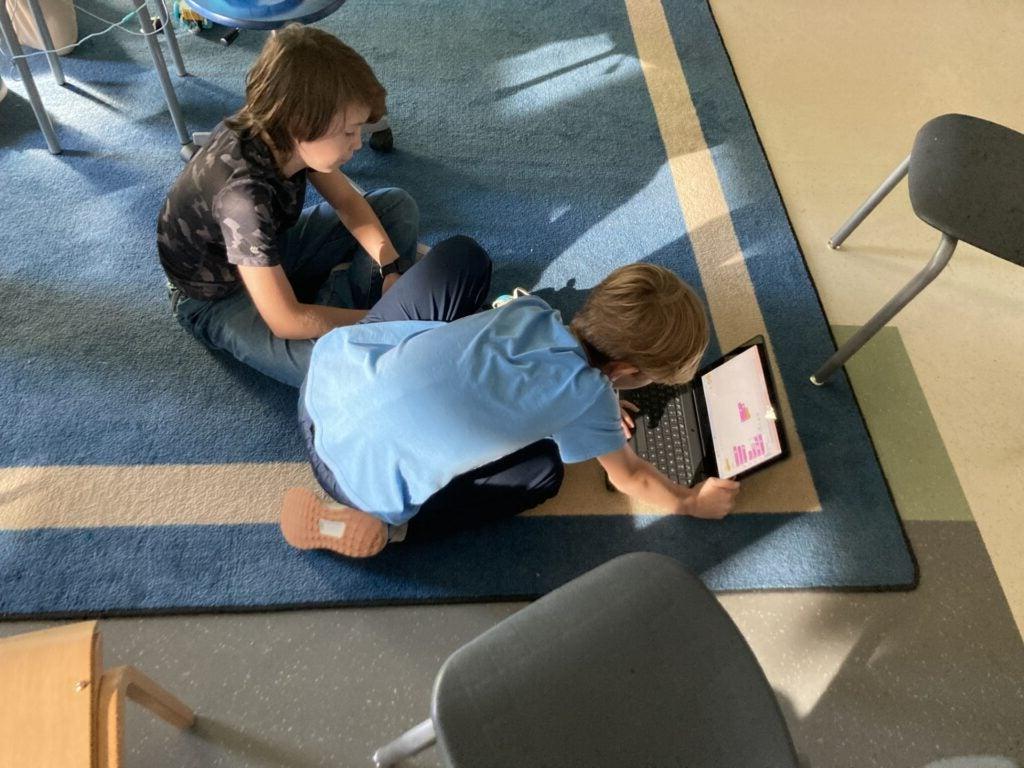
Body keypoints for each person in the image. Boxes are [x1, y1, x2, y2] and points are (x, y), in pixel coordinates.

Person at [280, 244, 741, 558]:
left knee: (464, 258)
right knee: (545, 470)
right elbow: (634, 479)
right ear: (624, 373)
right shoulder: (590, 399)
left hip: (324, 386)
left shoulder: (530, 310)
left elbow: (508, 370)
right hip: (363, 489)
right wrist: (689, 503)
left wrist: (597, 401)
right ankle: (389, 528)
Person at [157, 24, 421, 387]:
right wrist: (379, 318)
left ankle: (336, 300)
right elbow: (285, 320)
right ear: (300, 123)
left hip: (268, 250)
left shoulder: (281, 126)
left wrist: (389, 265)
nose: (358, 143)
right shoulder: (242, 197)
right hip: (215, 297)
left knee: (397, 207)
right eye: (348, 132)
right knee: (338, 374)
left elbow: (346, 200)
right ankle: (339, 300)